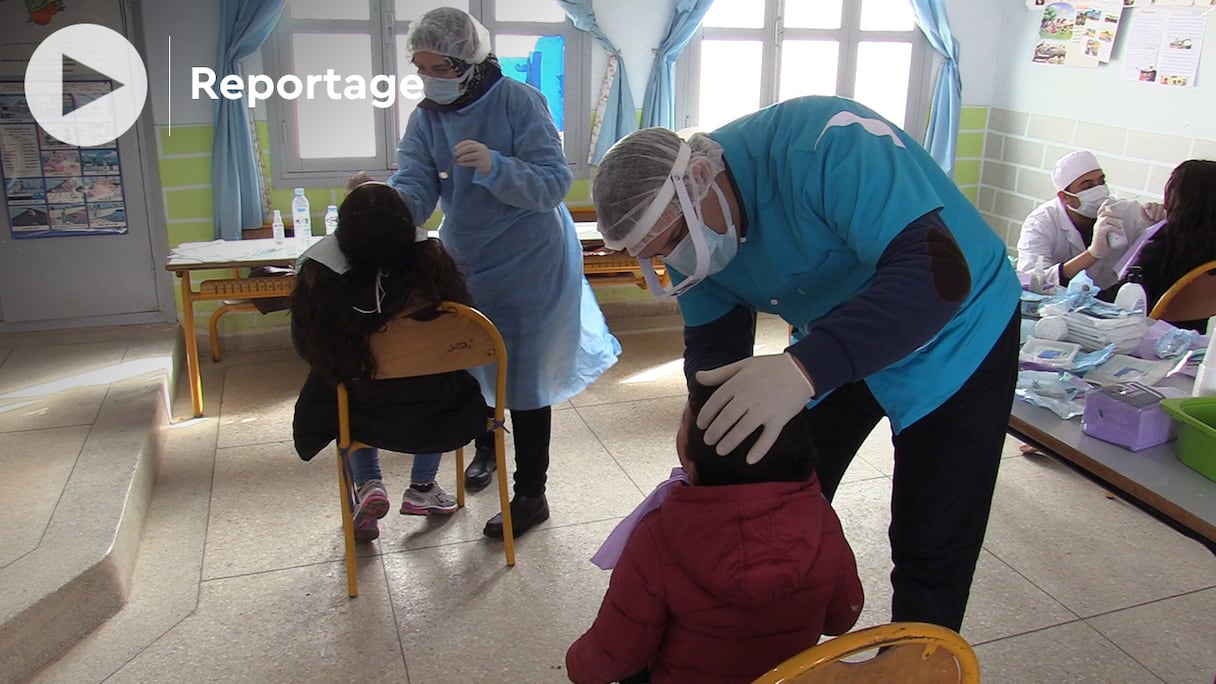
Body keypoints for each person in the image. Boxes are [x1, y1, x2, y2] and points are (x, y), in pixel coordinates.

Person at [592, 97, 1021, 632]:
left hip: (958, 329)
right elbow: (713, 346)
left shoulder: (825, 145)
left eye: (676, 239)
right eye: (660, 253)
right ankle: (774, 636)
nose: (678, 257)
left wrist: (802, 370)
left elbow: (938, 278)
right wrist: (705, 422)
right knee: (775, 493)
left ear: (701, 177)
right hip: (836, 333)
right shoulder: (703, 233)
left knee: (932, 535)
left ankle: (920, 662)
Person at [387, 7, 620, 540]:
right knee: (471, 365)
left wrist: (497, 166)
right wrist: (390, 209)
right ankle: (485, 453)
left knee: (525, 378)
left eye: (439, 69)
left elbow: (552, 184)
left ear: (469, 62)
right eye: (420, 69)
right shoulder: (426, 118)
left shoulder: (519, 101)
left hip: (531, 261)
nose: (430, 81)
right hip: (468, 258)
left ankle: (530, 493)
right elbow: (416, 184)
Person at [565, 381, 863, 684]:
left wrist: (575, 663)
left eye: (681, 425)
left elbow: (613, 656)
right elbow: (842, 617)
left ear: (692, 466)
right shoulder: (821, 517)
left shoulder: (657, 537)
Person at [291, 181, 490, 543]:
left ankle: (369, 485)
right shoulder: (432, 261)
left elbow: (306, 347)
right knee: (441, 384)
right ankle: (422, 486)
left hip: (362, 412)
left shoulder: (319, 273)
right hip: (439, 411)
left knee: (342, 391)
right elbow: (463, 326)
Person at [1016, 150, 1163, 290]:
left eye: (1101, 181)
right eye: (1088, 186)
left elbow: (1154, 253)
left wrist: (1158, 221)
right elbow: (1032, 281)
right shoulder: (1041, 223)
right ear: (1065, 197)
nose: (1099, 190)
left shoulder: (1127, 211)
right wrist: (1092, 254)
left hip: (1110, 305)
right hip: (1056, 307)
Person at [1098, 159, 1216, 332]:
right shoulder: (1205, 248)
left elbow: (1120, 298)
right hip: (1188, 338)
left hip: (1139, 335)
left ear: (1181, 197)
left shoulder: (1167, 245)